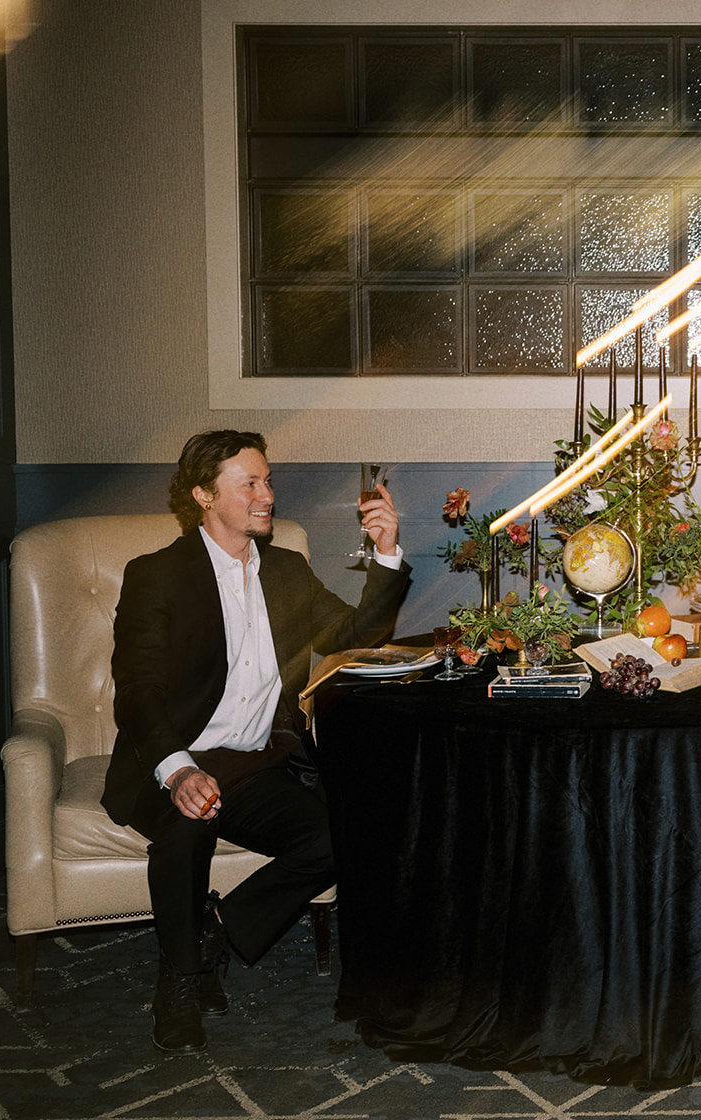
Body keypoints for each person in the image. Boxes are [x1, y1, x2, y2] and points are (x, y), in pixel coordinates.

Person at [104, 430, 411, 1054]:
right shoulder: (158, 576)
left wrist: (385, 552)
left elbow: (353, 634)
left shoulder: (287, 570)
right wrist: (176, 770)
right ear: (203, 496)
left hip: (257, 764)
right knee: (185, 826)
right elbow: (136, 690)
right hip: (177, 760)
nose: (267, 494)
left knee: (339, 835)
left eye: (267, 480)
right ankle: (180, 980)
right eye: (249, 484)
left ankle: (219, 930)